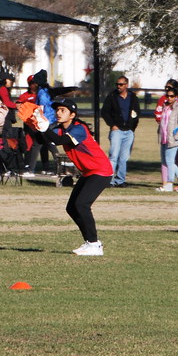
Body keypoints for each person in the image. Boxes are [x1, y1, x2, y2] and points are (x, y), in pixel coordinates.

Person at [33, 100, 113, 256]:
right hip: (89, 172)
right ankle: (90, 243)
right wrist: (36, 126)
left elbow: (59, 141)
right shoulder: (61, 129)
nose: (58, 112)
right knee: (71, 208)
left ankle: (94, 244)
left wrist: (44, 126)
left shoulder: (79, 129)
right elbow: (42, 140)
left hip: (101, 171)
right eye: (57, 110)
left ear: (73, 115)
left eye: (63, 110)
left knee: (82, 204)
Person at [100, 76, 141, 187]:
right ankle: (109, 181)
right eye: (117, 84)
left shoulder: (133, 97)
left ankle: (120, 180)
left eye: (121, 84)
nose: (119, 86)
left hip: (129, 132)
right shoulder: (112, 96)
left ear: (126, 85)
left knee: (124, 158)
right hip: (117, 131)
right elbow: (104, 112)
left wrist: (132, 128)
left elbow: (137, 113)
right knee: (113, 156)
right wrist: (112, 125)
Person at [156, 83, 178, 192]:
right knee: (166, 161)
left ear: (176, 97)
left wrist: (176, 136)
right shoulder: (165, 107)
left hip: (172, 139)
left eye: (172, 96)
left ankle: (169, 184)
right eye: (167, 96)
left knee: (169, 161)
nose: (169, 98)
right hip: (164, 138)